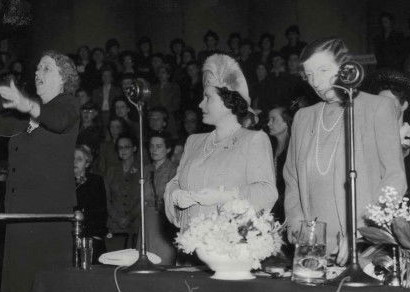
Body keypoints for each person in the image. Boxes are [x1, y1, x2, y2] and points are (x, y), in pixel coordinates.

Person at [283, 37, 407, 266]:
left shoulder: (378, 108)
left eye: (323, 70)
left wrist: (361, 233)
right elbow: (291, 178)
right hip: (314, 250)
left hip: (366, 251)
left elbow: (394, 177)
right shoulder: (302, 118)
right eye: (309, 75)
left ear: (345, 67)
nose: (316, 82)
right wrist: (296, 223)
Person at [0, 50, 80, 292]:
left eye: (46, 68)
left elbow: (58, 121)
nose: (38, 72)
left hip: (48, 214)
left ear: (64, 77)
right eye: (37, 68)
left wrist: (27, 104)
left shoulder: (69, 104)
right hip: (22, 213)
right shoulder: (25, 117)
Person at [165, 53, 278, 230]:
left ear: (228, 101)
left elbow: (267, 192)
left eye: (207, 98)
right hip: (188, 243)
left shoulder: (254, 140)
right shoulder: (193, 141)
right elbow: (176, 182)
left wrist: (223, 196)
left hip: (226, 244)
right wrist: (174, 195)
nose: (200, 104)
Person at [143, 132, 177, 264]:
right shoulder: (145, 169)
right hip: (147, 218)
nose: (154, 150)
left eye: (158, 146)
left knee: (162, 259)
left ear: (168, 149)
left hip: (164, 218)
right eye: (151, 146)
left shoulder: (173, 170)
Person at [104, 134, 140, 250]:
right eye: (120, 147)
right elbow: (106, 198)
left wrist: (129, 217)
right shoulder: (111, 170)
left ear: (134, 148)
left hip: (135, 225)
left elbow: (143, 198)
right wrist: (117, 218)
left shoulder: (143, 170)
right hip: (114, 225)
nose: (123, 150)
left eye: (126, 147)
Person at [74, 145, 107, 262]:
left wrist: (83, 216)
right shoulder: (65, 181)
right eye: (72, 159)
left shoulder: (95, 181)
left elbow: (100, 211)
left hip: (90, 235)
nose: (74, 162)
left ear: (87, 164)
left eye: (79, 159)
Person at [267, 106, 292, 222]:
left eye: (273, 119)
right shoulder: (269, 148)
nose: (268, 123)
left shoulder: (293, 149)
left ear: (286, 122)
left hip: (285, 210)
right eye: (269, 120)